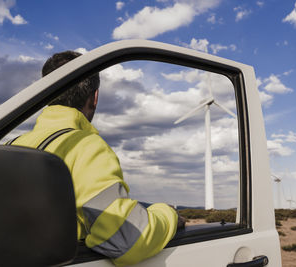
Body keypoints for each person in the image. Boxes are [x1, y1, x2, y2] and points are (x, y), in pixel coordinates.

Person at [10, 51, 185, 266]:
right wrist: (168, 214)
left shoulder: (12, 145)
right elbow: (127, 240)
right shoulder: (84, 147)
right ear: (95, 97)